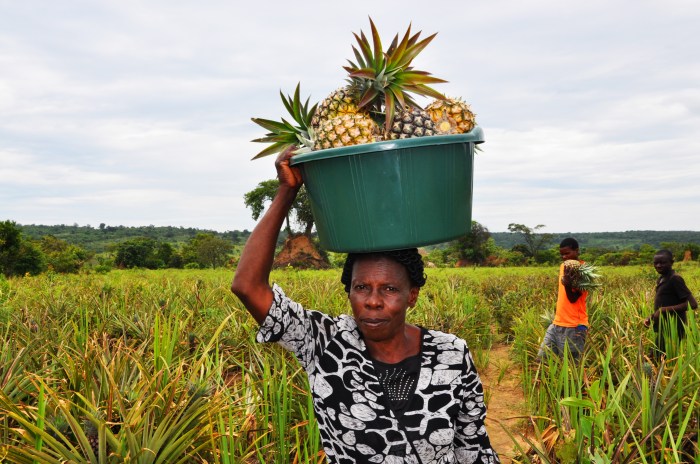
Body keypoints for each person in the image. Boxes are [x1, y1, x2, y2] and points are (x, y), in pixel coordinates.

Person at [231, 147, 499, 464]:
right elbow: (247, 287)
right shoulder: (325, 344)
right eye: (361, 287)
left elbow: (473, 446)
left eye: (389, 289)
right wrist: (286, 191)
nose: (372, 301)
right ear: (349, 291)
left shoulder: (451, 353)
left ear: (411, 295)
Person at [537, 238, 589, 361]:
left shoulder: (584, 272)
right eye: (562, 255)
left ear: (576, 251)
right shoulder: (564, 266)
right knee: (542, 360)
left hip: (574, 326)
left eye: (567, 253)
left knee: (571, 367)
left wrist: (567, 284)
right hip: (557, 323)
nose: (564, 257)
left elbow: (573, 299)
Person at [643, 249, 697, 358]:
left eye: (662, 262)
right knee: (658, 357)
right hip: (665, 326)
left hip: (674, 328)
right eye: (656, 263)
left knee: (659, 358)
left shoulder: (675, 279)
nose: (658, 265)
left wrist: (663, 310)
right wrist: (652, 317)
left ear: (671, 263)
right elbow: (665, 302)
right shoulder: (661, 279)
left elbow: (692, 304)